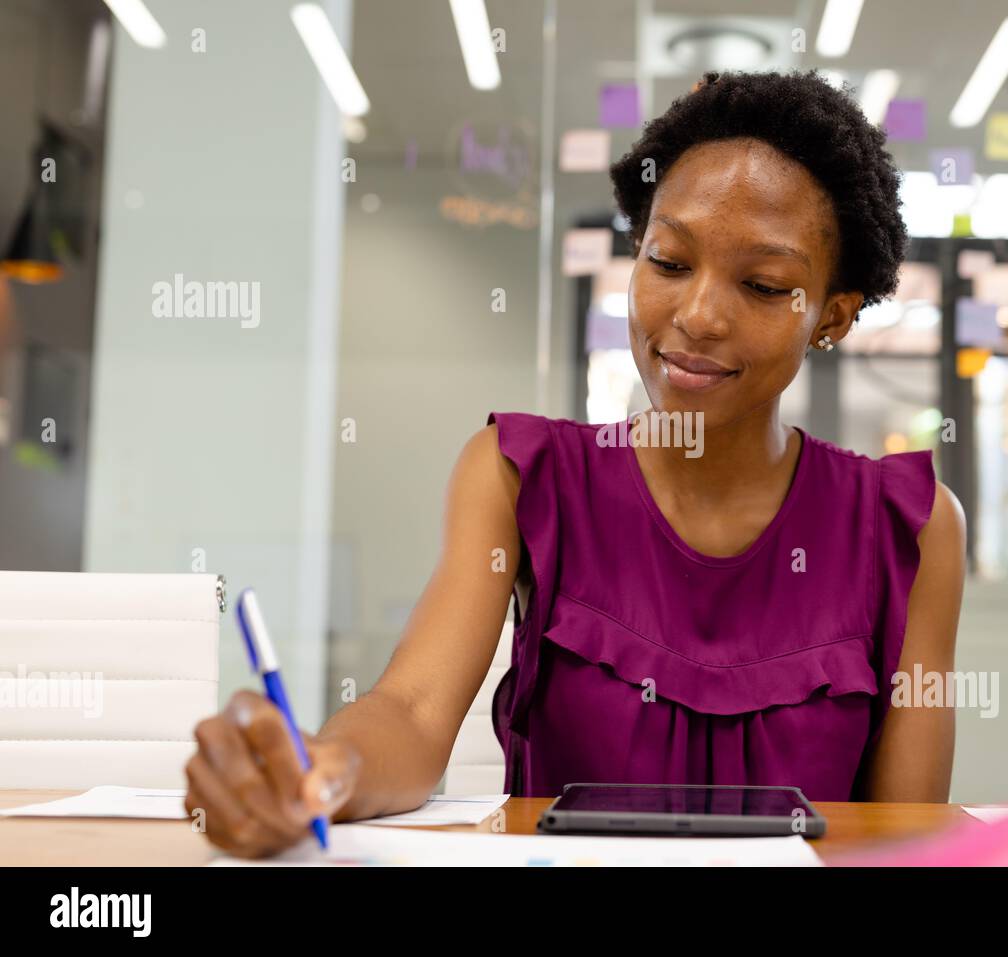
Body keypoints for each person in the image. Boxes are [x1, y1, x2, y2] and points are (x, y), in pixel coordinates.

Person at [184, 69, 967, 858]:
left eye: (763, 285)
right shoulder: (523, 474)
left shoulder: (910, 526)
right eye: (667, 262)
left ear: (830, 314)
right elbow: (414, 713)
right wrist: (325, 768)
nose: (697, 315)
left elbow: (903, 836)